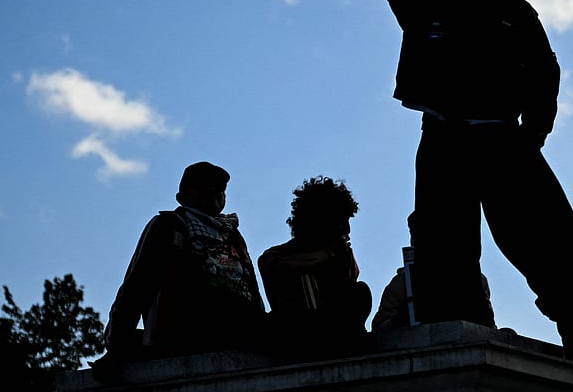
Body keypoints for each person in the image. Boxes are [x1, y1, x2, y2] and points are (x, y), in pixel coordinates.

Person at [370, 0, 573, 366]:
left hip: (503, 142)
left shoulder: (516, 15)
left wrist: (531, 137)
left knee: (541, 237)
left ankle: (572, 327)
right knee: (441, 240)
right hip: (443, 141)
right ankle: (457, 330)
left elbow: (546, 77)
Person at [95, 162, 265, 378]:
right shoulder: (168, 225)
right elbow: (136, 286)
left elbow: (251, 287)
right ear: (182, 195)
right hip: (184, 335)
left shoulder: (233, 235)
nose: (213, 193)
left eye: (219, 189)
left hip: (239, 335)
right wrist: (117, 345)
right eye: (203, 186)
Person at [258, 176, 372, 358]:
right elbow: (278, 268)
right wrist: (325, 254)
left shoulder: (340, 255)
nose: (347, 230)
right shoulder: (276, 256)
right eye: (341, 221)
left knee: (360, 292)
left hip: (337, 337)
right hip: (298, 339)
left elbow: (350, 294)